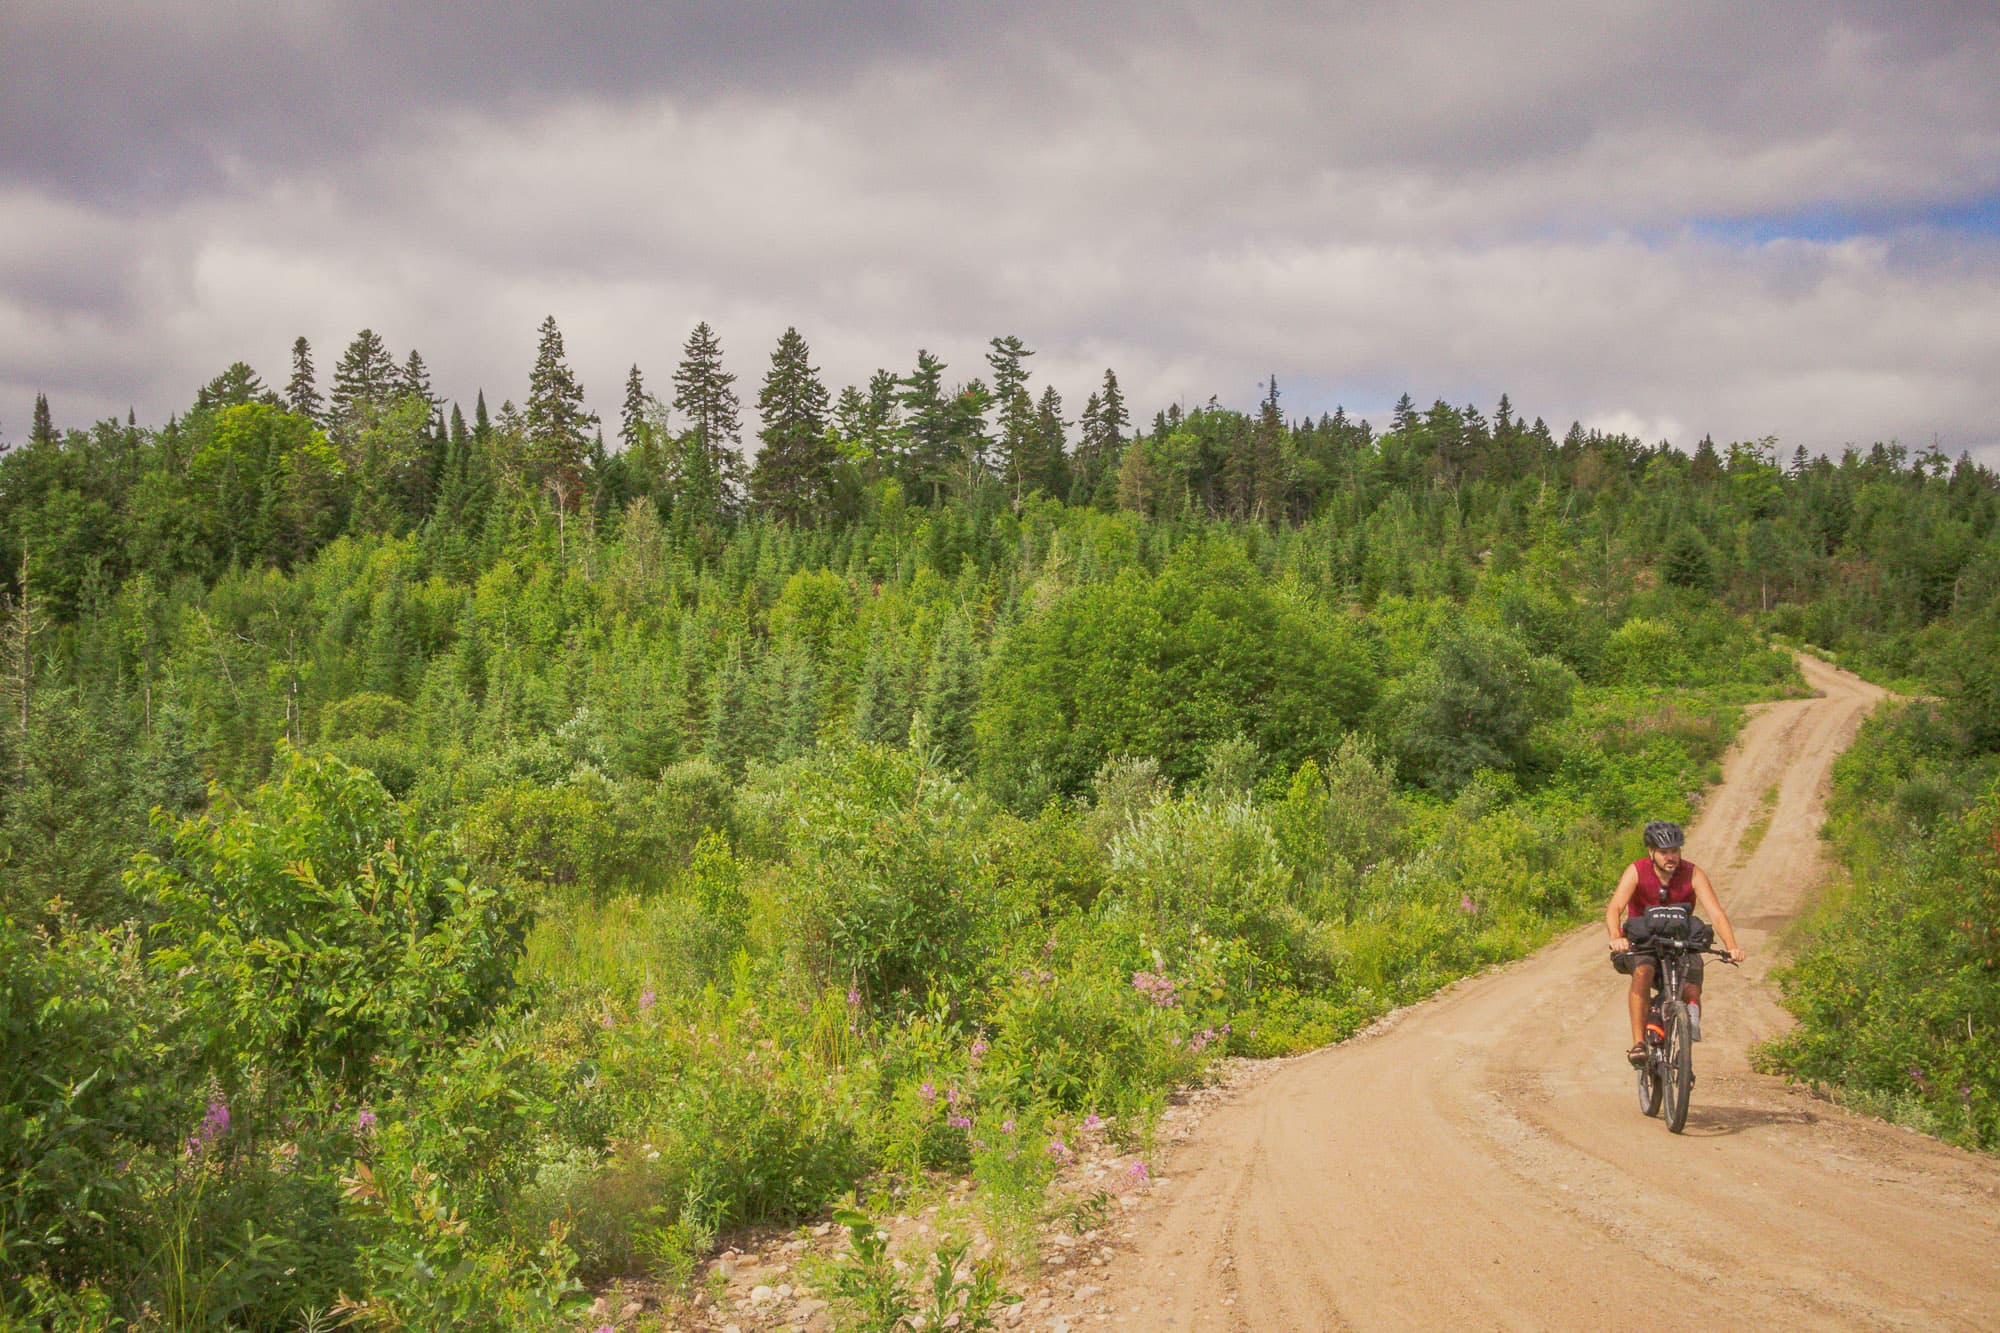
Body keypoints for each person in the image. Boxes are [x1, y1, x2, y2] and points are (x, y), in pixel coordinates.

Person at [1606, 820, 1745, 1066]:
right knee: (1643, 971)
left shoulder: (1693, 873)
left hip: (1681, 941)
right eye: (1664, 852)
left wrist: (1732, 945)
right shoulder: (1637, 871)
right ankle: (1639, 1044)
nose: (1670, 857)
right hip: (1644, 942)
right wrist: (1617, 937)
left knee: (1691, 988)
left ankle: (1684, 1048)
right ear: (1651, 853)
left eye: (1675, 850)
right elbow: (1615, 907)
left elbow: (1716, 913)